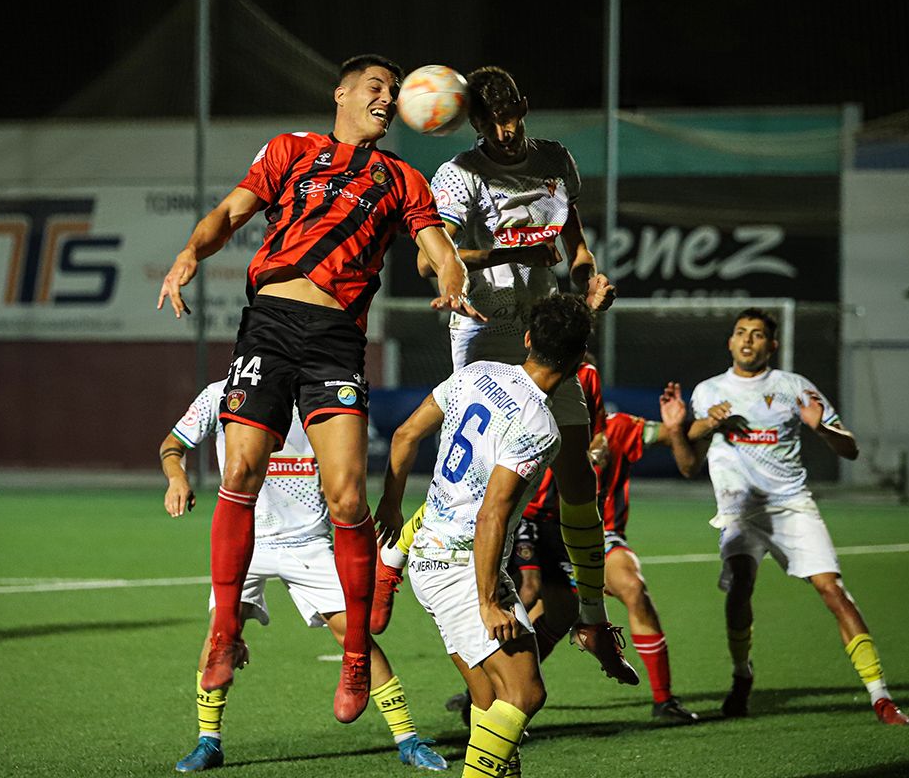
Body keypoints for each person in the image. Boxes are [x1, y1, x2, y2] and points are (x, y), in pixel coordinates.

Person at [156, 53, 480, 722]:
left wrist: (452, 281)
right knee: (240, 470)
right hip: (270, 325)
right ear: (341, 93)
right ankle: (224, 632)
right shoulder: (289, 151)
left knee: (346, 496)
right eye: (376, 87)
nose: (387, 98)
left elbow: (439, 248)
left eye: (394, 91)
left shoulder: (401, 178)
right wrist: (192, 252)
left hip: (335, 339)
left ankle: (356, 653)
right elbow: (229, 213)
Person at [395, 65, 636, 685]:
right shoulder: (459, 175)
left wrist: (590, 279)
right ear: (471, 120)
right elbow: (434, 259)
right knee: (473, 476)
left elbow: (575, 246)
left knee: (578, 470)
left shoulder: (556, 160)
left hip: (544, 328)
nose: (503, 132)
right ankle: (391, 559)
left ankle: (588, 616)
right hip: (484, 328)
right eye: (489, 122)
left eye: (511, 118)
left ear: (524, 107)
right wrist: (512, 252)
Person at [158, 381, 447, 772]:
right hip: (245, 539)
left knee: (356, 636)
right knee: (217, 638)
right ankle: (209, 741)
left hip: (307, 543)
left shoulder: (321, 395)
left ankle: (408, 739)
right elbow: (172, 446)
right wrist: (177, 477)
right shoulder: (221, 393)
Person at [375, 294, 591, 778]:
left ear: (529, 339)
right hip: (463, 567)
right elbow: (494, 512)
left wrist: (391, 504)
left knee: (489, 698)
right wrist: (489, 600)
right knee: (525, 693)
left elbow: (405, 436)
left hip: (428, 554)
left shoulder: (478, 373)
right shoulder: (541, 425)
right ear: (580, 361)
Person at [661, 307, 909, 725]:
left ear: (771, 345)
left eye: (757, 335)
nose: (747, 340)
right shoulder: (708, 392)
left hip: (792, 505)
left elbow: (850, 449)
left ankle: (880, 696)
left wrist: (822, 428)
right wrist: (689, 426)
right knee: (740, 587)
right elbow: (688, 465)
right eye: (741, 332)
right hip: (741, 509)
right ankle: (742, 676)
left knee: (833, 590)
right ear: (730, 342)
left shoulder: (794, 388)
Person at [508, 361, 699, 724]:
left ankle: (663, 699)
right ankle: (492, 688)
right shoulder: (536, 419)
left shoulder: (619, 427)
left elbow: (680, 434)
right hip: (538, 527)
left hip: (598, 530)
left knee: (632, 586)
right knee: (535, 603)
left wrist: (682, 426)